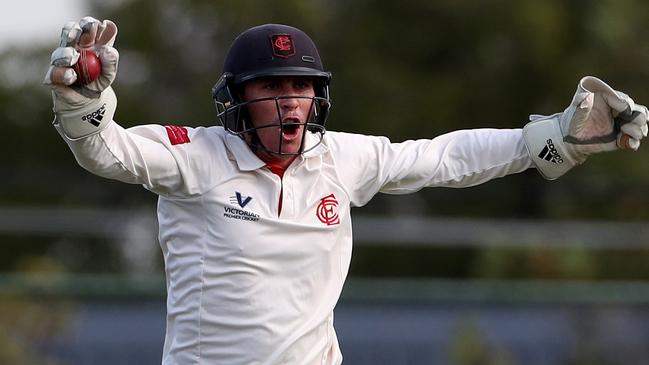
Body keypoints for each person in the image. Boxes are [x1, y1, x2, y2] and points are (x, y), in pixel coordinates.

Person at [44, 16, 648, 365]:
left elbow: (445, 157)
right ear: (236, 97)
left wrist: (554, 138)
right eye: (270, 86)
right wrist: (84, 102)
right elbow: (107, 151)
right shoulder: (196, 157)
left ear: (318, 95)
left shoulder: (341, 159)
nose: (289, 102)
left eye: (300, 86)